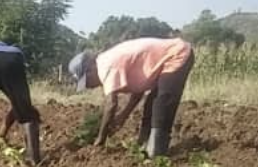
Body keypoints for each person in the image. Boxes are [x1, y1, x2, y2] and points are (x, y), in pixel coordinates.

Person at [67, 35, 195, 157]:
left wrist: (100, 139)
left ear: (90, 69)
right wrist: (123, 116)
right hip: (166, 61)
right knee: (150, 104)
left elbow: (111, 105)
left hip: (177, 54)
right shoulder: (106, 62)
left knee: (161, 103)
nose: (89, 86)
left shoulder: (106, 66)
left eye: (87, 82)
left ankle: (156, 152)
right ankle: (143, 146)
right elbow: (138, 92)